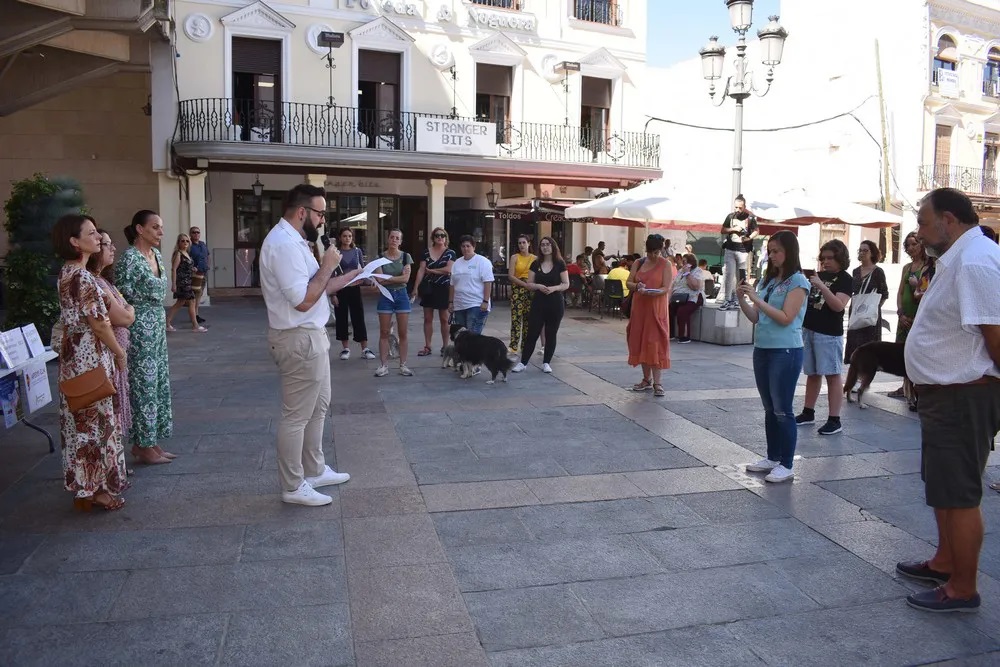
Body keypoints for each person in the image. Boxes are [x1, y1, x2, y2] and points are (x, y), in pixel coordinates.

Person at [896, 188, 1000, 613]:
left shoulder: (975, 261)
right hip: (946, 394)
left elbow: (994, 333)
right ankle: (944, 562)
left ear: (949, 220)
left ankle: (962, 588)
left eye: (923, 222)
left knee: (959, 493)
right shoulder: (958, 257)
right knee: (942, 485)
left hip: (963, 394)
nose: (918, 232)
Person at [259, 184, 361, 506]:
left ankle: (314, 470)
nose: (323, 220)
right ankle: (293, 486)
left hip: (311, 335)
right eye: (320, 213)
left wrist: (353, 276)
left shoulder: (296, 241)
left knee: (319, 406)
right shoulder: (283, 244)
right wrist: (329, 264)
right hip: (297, 338)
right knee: (296, 416)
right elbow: (302, 300)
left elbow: (317, 287)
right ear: (302, 212)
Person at [53, 214, 128, 511]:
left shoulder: (66, 272)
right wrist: (119, 353)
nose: (98, 237)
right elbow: (99, 323)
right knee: (97, 424)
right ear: (75, 241)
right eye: (92, 233)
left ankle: (84, 490)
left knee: (80, 425)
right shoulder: (83, 277)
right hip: (91, 358)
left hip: (74, 359)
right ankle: (98, 490)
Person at [739, 230, 811, 483]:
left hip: (786, 350)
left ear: (789, 252)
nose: (772, 255)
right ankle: (772, 457)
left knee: (782, 409)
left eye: (777, 251)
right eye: (770, 251)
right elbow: (756, 318)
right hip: (763, 348)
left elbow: (786, 318)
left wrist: (756, 299)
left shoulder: (798, 281)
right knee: (769, 408)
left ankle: (786, 463)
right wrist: (742, 299)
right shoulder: (768, 281)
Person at [117, 210, 175, 465]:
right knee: (143, 384)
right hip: (139, 327)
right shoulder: (130, 258)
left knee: (158, 382)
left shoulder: (157, 255)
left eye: (161, 227)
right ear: (140, 229)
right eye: (155, 227)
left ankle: (151, 440)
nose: (160, 232)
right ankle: (142, 443)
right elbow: (120, 295)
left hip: (157, 324)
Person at [795, 239, 853, 435]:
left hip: (829, 332)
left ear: (840, 259)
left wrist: (822, 286)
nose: (826, 262)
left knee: (832, 374)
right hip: (810, 328)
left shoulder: (845, 279)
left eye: (830, 258)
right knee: (812, 373)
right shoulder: (818, 275)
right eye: (823, 258)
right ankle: (808, 411)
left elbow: (838, 305)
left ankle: (835, 419)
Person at [88, 227, 136, 449]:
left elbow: (125, 310)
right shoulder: (96, 282)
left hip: (116, 357)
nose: (112, 248)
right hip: (111, 356)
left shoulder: (104, 281)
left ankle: (115, 456)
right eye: (106, 244)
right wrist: (129, 311)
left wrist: (127, 310)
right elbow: (123, 317)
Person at [511, 237, 569, 374]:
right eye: (542, 245)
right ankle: (523, 362)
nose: (545, 247)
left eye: (548, 244)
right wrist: (537, 286)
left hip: (555, 302)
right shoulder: (535, 263)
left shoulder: (560, 263)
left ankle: (546, 362)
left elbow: (566, 284)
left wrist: (554, 288)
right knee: (532, 332)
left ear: (553, 246)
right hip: (538, 302)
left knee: (551, 333)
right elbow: (529, 284)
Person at [625, 234, 673, 397]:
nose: (652, 255)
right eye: (650, 252)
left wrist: (654, 292)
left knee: (655, 342)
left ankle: (657, 382)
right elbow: (628, 282)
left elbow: (666, 287)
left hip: (656, 308)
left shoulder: (665, 264)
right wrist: (637, 286)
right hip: (640, 308)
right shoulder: (638, 263)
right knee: (641, 341)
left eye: (656, 252)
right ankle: (646, 379)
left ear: (661, 250)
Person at [890, 232, 935, 404]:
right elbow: (900, 292)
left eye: (914, 244)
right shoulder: (907, 268)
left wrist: (917, 285)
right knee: (903, 351)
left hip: (919, 315)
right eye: (907, 245)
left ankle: (916, 386)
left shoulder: (928, 267)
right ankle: (905, 386)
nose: (910, 248)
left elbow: (925, 292)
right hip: (905, 315)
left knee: (917, 351)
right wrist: (900, 312)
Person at [373, 229, 414, 377]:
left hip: (401, 295)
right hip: (386, 295)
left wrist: (387, 278)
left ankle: (403, 364)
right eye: (392, 237)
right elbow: (379, 279)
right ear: (388, 239)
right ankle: (383, 365)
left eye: (397, 238)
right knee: (384, 332)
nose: (394, 240)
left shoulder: (406, 257)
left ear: (400, 241)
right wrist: (396, 278)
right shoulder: (380, 257)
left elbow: (406, 279)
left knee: (403, 332)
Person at [331, 227, 375, 361]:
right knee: (341, 318)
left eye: (349, 236)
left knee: (358, 317)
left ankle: (365, 348)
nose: (347, 238)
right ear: (340, 238)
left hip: (355, 288)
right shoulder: (336, 253)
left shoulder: (357, 251)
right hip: (341, 288)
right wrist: (333, 294)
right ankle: (345, 348)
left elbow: (362, 269)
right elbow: (332, 273)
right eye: (345, 236)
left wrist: (369, 280)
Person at [411, 226, 455, 358]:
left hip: (443, 287)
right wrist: (415, 287)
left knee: (444, 318)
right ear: (433, 238)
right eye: (437, 235)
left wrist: (432, 271)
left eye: (442, 235)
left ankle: (445, 346)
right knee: (427, 318)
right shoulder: (426, 252)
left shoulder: (450, 253)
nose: (440, 237)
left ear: (446, 238)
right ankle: (428, 346)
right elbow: (421, 270)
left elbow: (448, 270)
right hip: (429, 287)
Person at [844, 240, 890, 364]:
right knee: (854, 344)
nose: (862, 253)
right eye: (860, 250)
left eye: (865, 250)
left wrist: (873, 308)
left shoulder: (878, 272)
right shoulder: (855, 271)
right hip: (856, 311)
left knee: (869, 347)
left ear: (872, 253)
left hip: (870, 313)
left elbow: (884, 294)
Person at [719, 194, 759, 311]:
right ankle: (727, 299)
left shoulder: (750, 217)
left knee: (740, 276)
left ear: (744, 207)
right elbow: (723, 230)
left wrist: (748, 238)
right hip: (730, 249)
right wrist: (733, 229)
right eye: (736, 207)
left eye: (740, 208)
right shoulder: (730, 216)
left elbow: (756, 230)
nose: (737, 210)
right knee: (729, 274)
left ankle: (737, 299)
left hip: (743, 251)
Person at [449, 235, 494, 335]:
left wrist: (485, 301)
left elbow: (487, 282)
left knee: (472, 337)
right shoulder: (456, 263)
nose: (465, 249)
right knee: (461, 336)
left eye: (468, 246)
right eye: (463, 246)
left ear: (474, 247)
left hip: (476, 304)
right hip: (459, 305)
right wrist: (451, 302)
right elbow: (452, 284)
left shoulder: (483, 262)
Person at [165, 234, 207, 333]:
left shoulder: (186, 253)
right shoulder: (179, 254)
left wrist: (193, 269)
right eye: (182, 241)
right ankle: (195, 325)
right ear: (178, 242)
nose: (185, 243)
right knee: (188, 301)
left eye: (187, 241)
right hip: (183, 282)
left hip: (188, 281)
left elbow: (185, 267)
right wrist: (174, 284)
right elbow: (174, 269)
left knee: (182, 302)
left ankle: (167, 322)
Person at [506, 235, 535, 358]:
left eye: (524, 242)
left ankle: (525, 346)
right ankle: (513, 346)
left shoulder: (535, 258)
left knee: (528, 319)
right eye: (519, 243)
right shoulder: (514, 257)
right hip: (518, 288)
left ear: (529, 243)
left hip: (531, 289)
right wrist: (523, 284)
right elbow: (511, 276)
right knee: (516, 318)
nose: (522, 245)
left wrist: (530, 285)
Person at [668, 253, 705, 344]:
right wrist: (668, 299)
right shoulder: (680, 271)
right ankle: (670, 334)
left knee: (682, 311)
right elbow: (673, 285)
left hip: (693, 297)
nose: (683, 263)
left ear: (690, 262)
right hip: (678, 297)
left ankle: (684, 336)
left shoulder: (697, 271)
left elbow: (695, 287)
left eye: (685, 261)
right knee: (669, 309)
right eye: (683, 261)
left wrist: (688, 274)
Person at [188, 226, 209, 324]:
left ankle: (196, 314)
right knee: (194, 295)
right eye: (194, 232)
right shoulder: (189, 245)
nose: (196, 234)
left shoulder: (202, 244)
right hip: (195, 275)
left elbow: (207, 255)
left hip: (203, 273)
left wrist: (208, 265)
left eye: (198, 232)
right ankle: (194, 316)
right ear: (190, 234)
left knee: (199, 294)